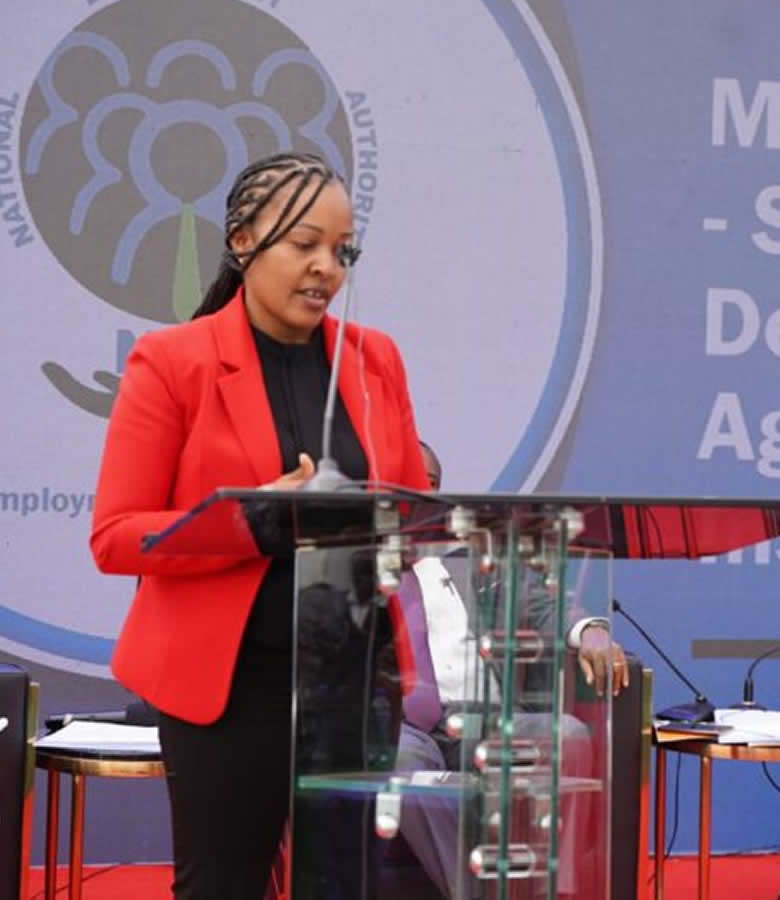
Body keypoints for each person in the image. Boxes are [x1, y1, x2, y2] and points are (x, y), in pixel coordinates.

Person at [90, 151, 430, 899]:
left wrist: (393, 525)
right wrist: (254, 517)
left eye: (341, 251)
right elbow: (116, 536)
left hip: (355, 676)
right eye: (304, 244)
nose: (325, 268)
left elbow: (408, 510)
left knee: (347, 886)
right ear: (242, 241)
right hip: (232, 685)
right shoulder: (172, 361)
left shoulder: (375, 360)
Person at [393, 441, 628, 899]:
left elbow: (539, 604)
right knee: (398, 762)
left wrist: (590, 631)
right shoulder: (358, 566)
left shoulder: (473, 561)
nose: (417, 492)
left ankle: (551, 890)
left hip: (486, 719)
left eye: (429, 483)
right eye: (405, 482)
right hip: (405, 726)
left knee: (566, 735)